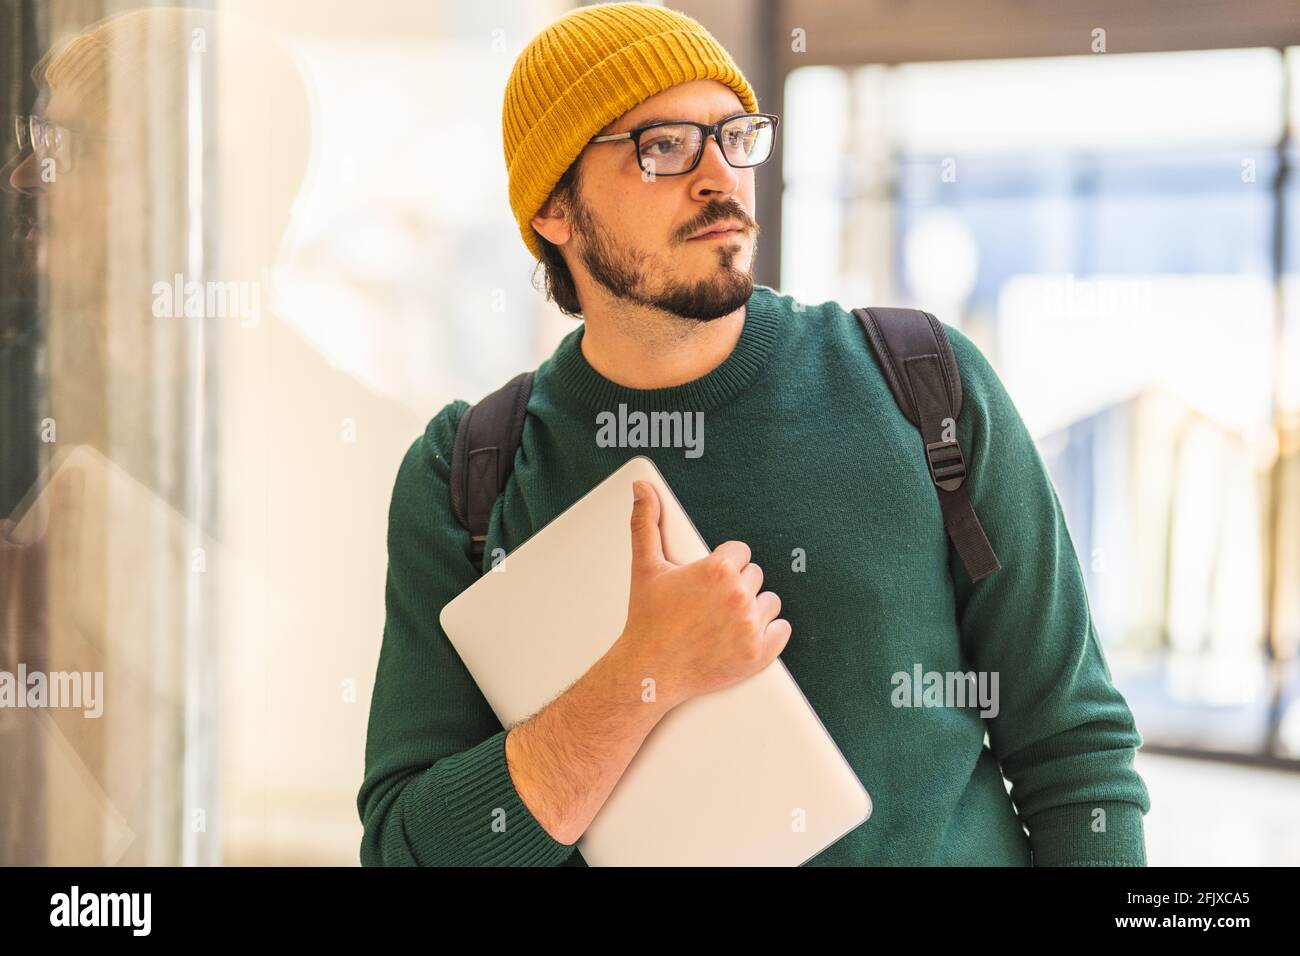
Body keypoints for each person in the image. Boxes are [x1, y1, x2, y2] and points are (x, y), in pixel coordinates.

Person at [357, 2, 1150, 867]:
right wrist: (639, 675)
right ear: (554, 209)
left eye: (735, 137)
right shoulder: (467, 474)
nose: (718, 179)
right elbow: (407, 850)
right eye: (663, 146)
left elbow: (1075, 750)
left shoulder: (923, 384)